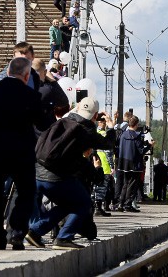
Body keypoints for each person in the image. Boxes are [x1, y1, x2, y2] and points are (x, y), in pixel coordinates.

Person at [0, 57, 48, 250]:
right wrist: (35, 87)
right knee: (26, 193)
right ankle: (17, 232)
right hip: (22, 152)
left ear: (8, 71)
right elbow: (42, 123)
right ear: (27, 75)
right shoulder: (30, 95)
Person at [27, 97, 115, 249]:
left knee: (67, 204)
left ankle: (35, 232)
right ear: (95, 116)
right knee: (83, 202)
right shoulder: (86, 130)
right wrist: (112, 128)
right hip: (55, 178)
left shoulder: (63, 121)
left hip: (37, 173)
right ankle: (63, 238)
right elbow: (108, 144)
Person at [116, 115, 153, 212]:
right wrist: (149, 145)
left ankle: (121, 203)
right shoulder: (136, 136)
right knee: (133, 185)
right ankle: (128, 204)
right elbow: (141, 150)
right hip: (135, 163)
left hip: (124, 162)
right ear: (137, 124)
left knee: (125, 183)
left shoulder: (123, 135)